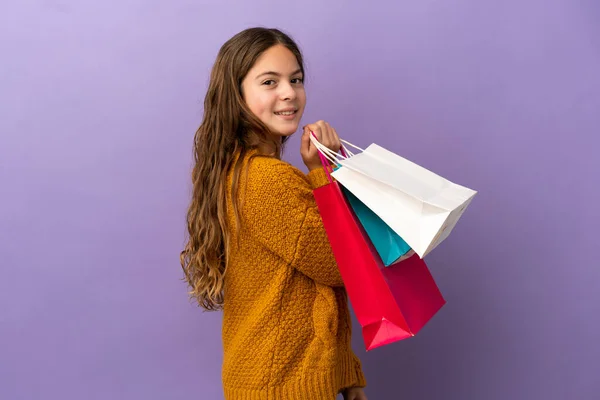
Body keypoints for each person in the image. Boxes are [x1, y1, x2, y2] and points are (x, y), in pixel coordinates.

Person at [180, 27, 368, 400]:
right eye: (270, 81)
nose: (289, 93)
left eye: (295, 79)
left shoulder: (239, 172)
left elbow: (306, 291)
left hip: (271, 380)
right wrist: (324, 173)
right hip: (281, 386)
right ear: (236, 95)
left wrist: (347, 377)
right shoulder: (268, 181)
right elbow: (341, 264)